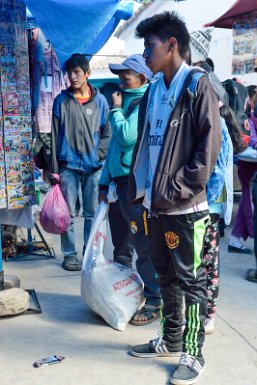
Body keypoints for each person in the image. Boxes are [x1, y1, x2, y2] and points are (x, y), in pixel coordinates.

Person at [128, 12, 221, 385]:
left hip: (185, 209)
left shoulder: (197, 86)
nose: (145, 54)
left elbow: (208, 149)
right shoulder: (153, 89)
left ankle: (194, 354)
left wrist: (176, 189)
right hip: (155, 206)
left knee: (192, 280)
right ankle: (170, 339)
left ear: (171, 45)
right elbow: (147, 148)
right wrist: (142, 191)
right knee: (165, 275)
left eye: (149, 46)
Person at [98, 54, 161, 325]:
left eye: (127, 73)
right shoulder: (127, 101)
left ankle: (155, 299)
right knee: (121, 247)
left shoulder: (143, 101)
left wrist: (114, 110)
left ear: (142, 77)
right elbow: (113, 148)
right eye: (120, 73)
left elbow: (126, 136)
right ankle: (124, 296)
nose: (121, 78)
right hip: (117, 186)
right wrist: (103, 181)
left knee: (143, 247)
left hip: (135, 188)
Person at [50, 54, 111, 271]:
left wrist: (99, 155)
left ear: (88, 74)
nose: (73, 77)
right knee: (67, 215)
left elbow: (107, 133)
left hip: (93, 168)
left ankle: (89, 254)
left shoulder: (101, 101)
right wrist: (54, 170)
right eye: (70, 73)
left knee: (92, 214)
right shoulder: (61, 101)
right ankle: (69, 255)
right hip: (68, 166)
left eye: (77, 72)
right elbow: (55, 137)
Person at [228, 86, 257, 254]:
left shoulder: (249, 118)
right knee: (248, 204)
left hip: (249, 167)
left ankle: (234, 240)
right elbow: (252, 142)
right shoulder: (249, 120)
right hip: (249, 168)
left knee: (246, 202)